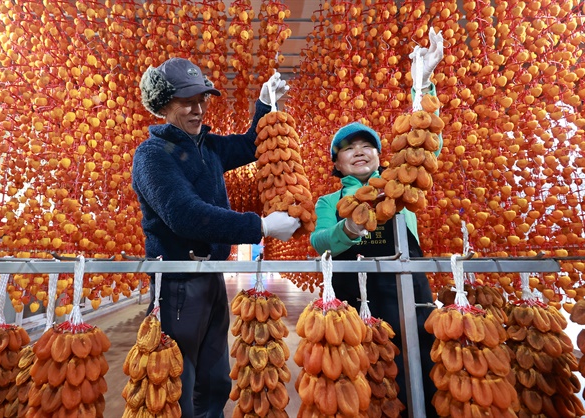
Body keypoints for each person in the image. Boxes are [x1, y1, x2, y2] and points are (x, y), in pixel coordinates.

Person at [132, 57, 300, 418]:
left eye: (203, 100)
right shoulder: (152, 156)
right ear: (163, 104)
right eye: (186, 102)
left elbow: (248, 144)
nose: (197, 110)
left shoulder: (205, 147)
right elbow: (187, 216)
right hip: (177, 283)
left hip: (210, 277)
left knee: (214, 379)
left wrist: (265, 103)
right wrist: (262, 227)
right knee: (180, 380)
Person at [310, 29, 444, 418]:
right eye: (348, 148)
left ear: (379, 155)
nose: (359, 152)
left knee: (416, 374)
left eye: (366, 146)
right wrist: (347, 230)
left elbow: (426, 144)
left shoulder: (399, 185)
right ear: (336, 163)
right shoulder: (328, 201)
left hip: (407, 294)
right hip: (351, 302)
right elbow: (320, 243)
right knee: (358, 380)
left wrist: (422, 84)